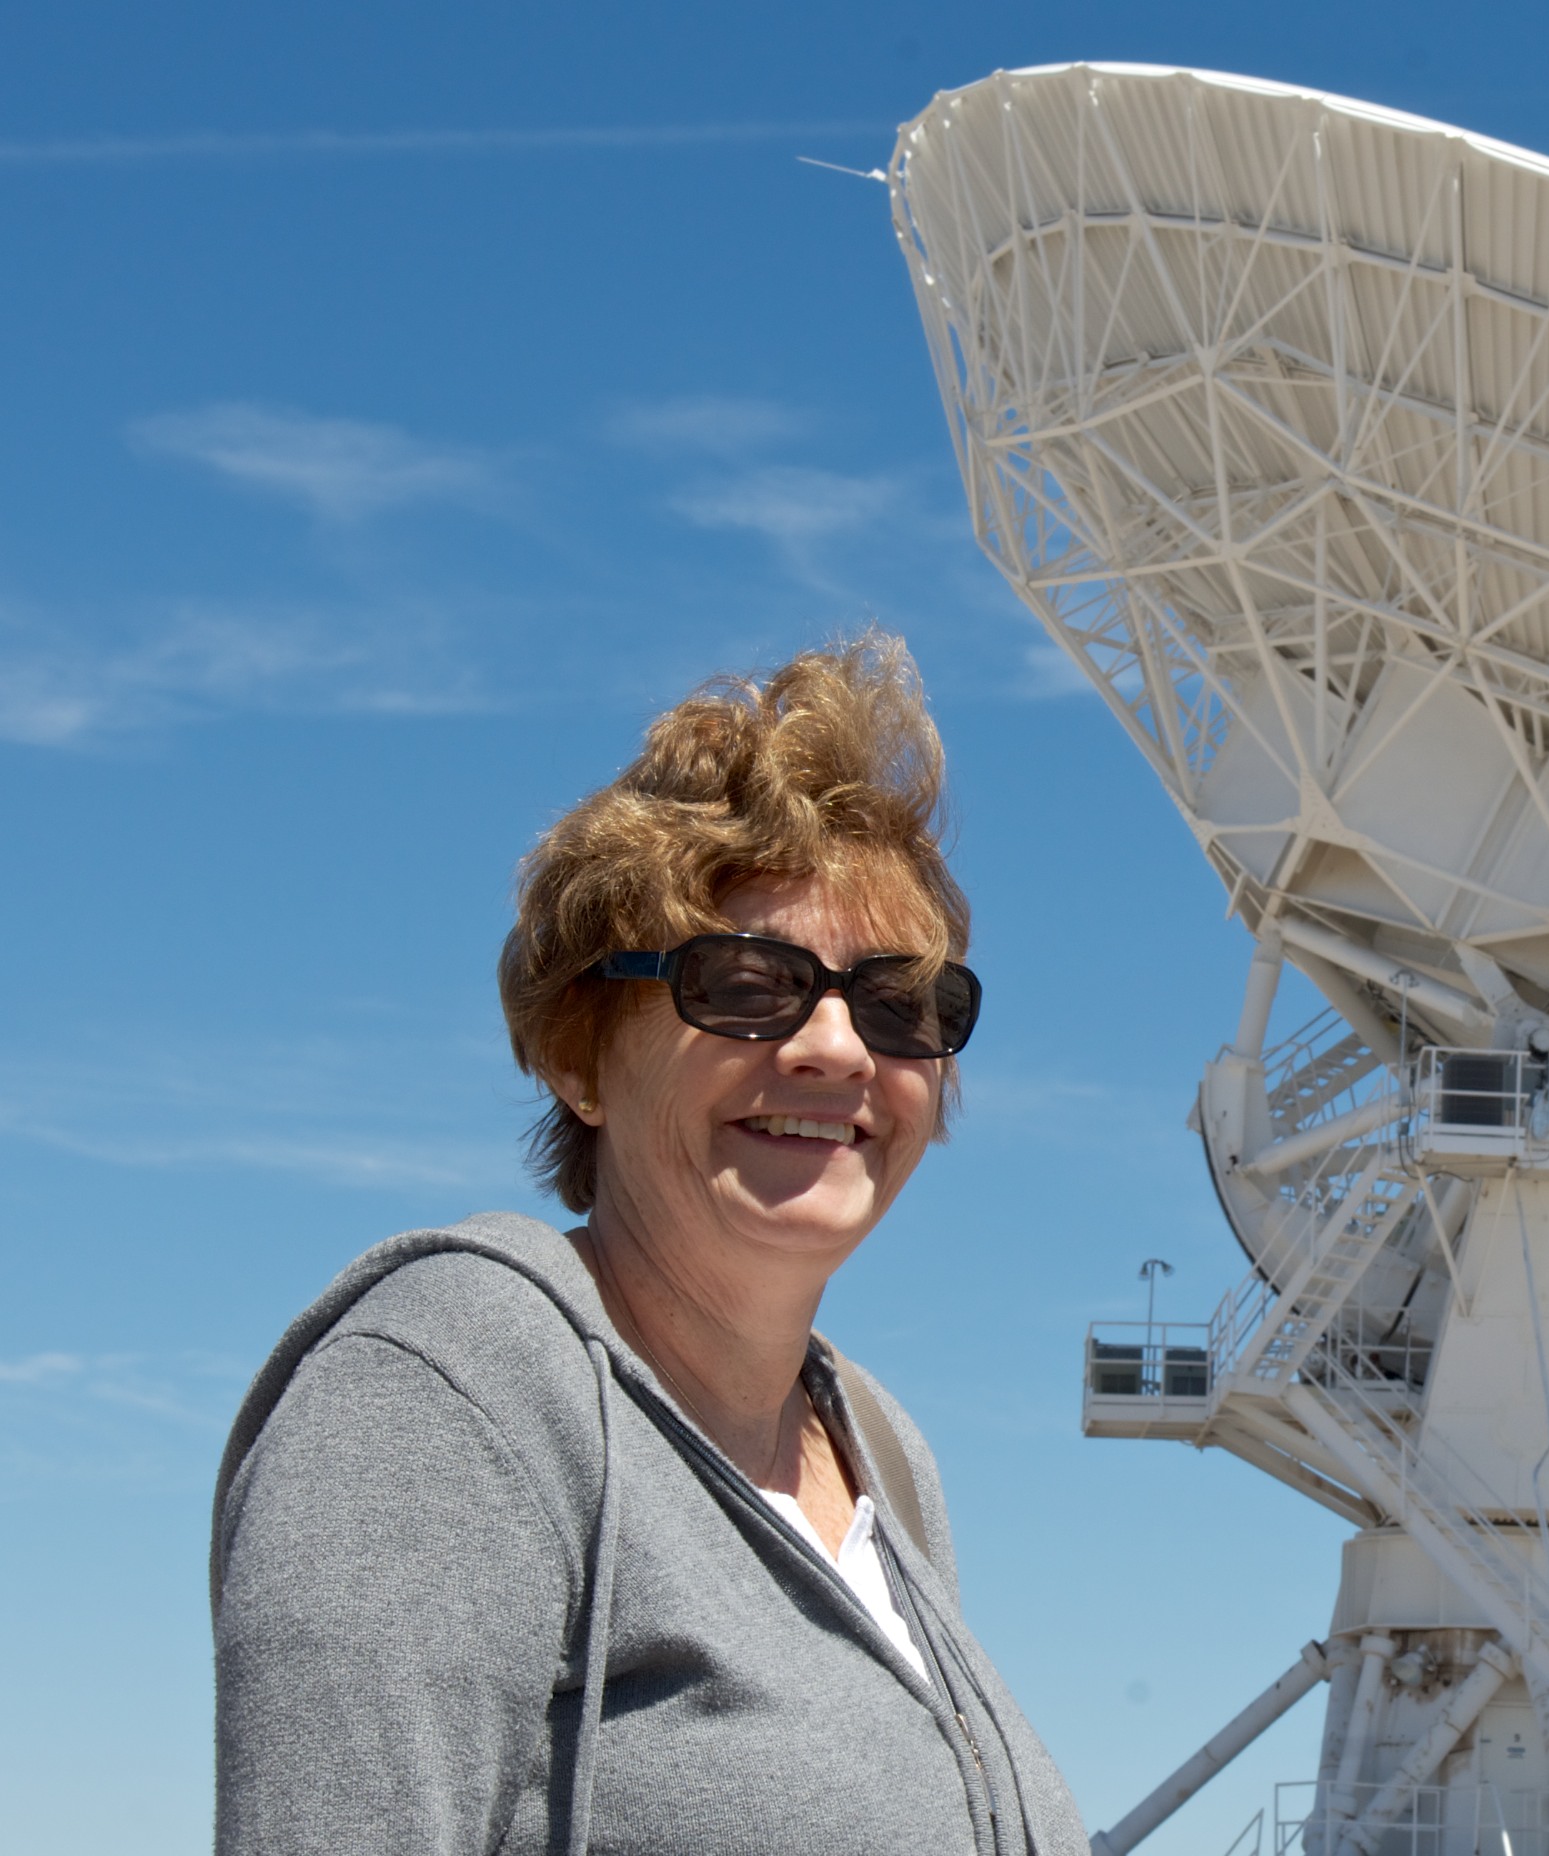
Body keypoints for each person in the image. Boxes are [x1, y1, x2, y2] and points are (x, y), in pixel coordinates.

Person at [211, 635, 1085, 1856]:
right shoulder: (456, 1390)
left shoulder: (884, 1454)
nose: (838, 1049)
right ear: (579, 1055)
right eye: (743, 983)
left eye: (899, 1005)